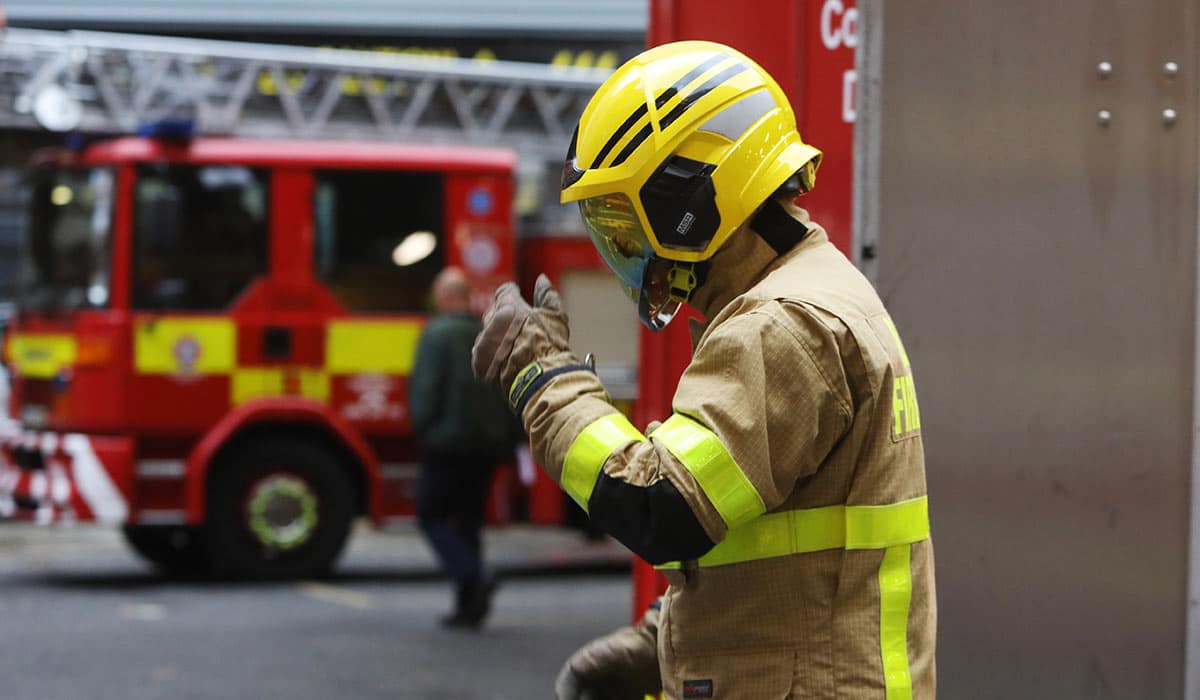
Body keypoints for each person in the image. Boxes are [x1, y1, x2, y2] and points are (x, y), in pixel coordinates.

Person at [472, 41, 935, 698]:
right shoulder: (806, 295)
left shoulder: (784, 323)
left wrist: (544, 381)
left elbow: (660, 505)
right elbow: (780, 546)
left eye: (624, 224)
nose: (623, 252)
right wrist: (662, 639)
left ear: (686, 199)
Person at [409, 266, 518, 629]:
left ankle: (473, 575)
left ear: (444, 297)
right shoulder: (487, 333)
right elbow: (507, 389)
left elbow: (426, 392)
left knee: (432, 514)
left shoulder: (436, 335)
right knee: (469, 523)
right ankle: (469, 608)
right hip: (487, 445)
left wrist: (423, 427)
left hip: (447, 444)